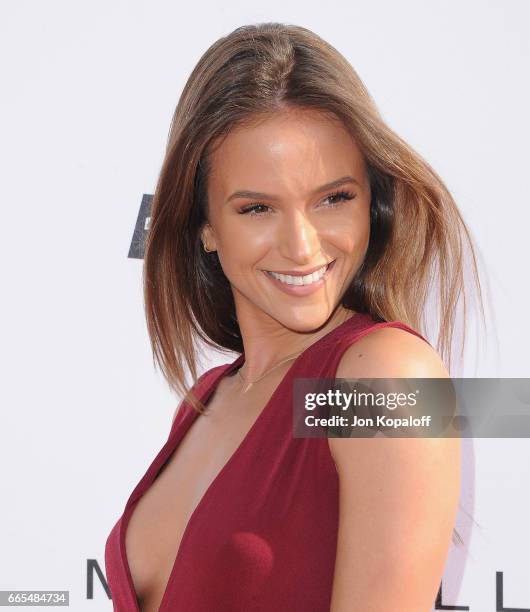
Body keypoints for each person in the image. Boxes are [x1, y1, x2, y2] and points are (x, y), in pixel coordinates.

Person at [105, 22, 484, 612]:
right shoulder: (208, 397)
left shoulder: (380, 379)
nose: (303, 248)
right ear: (205, 225)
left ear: (373, 204)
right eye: (257, 208)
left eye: (334, 198)